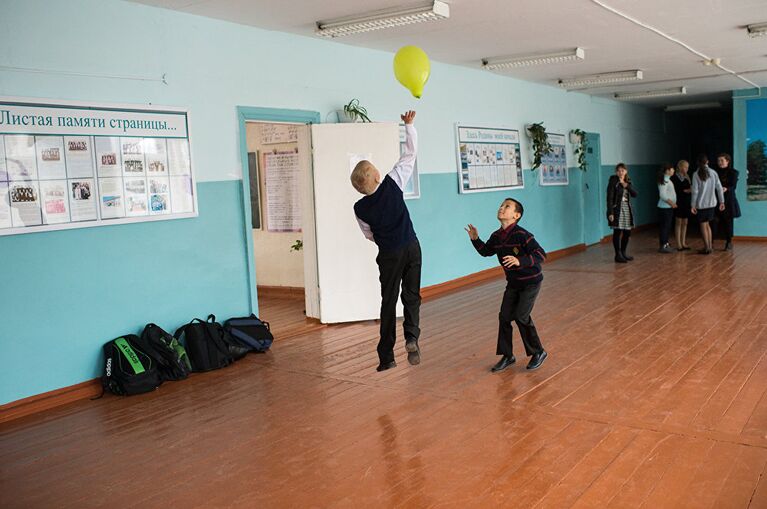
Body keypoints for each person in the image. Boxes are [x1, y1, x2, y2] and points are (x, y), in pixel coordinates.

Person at [351, 110, 422, 372]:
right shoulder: (393, 183)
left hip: (389, 254)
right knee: (412, 295)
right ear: (377, 174)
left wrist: (386, 240)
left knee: (389, 301)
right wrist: (409, 126)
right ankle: (412, 338)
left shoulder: (360, 208)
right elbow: (410, 155)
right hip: (412, 247)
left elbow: (368, 235)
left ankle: (386, 357)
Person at [465, 198, 548, 373]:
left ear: (516, 215)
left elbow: (541, 254)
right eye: (501, 206)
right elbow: (486, 252)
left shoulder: (523, 235)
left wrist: (520, 261)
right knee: (504, 317)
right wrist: (475, 239)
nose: (502, 208)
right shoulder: (497, 236)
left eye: (507, 207)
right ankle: (508, 355)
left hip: (531, 282)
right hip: (513, 283)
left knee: (521, 316)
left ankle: (538, 352)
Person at [691, 154, 725, 255]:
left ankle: (706, 248)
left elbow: (695, 191)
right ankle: (710, 247)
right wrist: (722, 201)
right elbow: (719, 188)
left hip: (701, 204)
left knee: (703, 225)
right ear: (707, 162)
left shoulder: (696, 174)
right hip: (712, 203)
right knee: (708, 225)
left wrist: (692, 205)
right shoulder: (713, 172)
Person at [606, 163, 638, 263]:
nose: (621, 172)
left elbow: (635, 194)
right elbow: (609, 197)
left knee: (627, 232)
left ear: (626, 171)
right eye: (619, 170)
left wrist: (627, 186)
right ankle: (617, 254)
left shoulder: (628, 181)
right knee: (617, 231)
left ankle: (623, 252)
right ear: (616, 172)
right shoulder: (613, 181)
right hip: (617, 209)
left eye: (622, 170)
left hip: (626, 208)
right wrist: (610, 212)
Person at [714, 153, 742, 250]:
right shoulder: (714, 172)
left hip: (728, 199)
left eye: (722, 160)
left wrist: (726, 188)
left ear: (727, 161)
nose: (720, 163)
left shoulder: (733, 172)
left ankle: (729, 242)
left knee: (727, 221)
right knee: (714, 221)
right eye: (718, 161)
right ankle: (710, 242)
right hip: (716, 199)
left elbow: (733, 186)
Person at [671, 160, 692, 251]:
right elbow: (674, 190)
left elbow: (691, 187)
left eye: (687, 167)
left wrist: (690, 190)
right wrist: (685, 191)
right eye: (685, 167)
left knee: (685, 222)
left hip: (687, 201)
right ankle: (678, 244)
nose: (686, 169)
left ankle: (683, 242)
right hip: (678, 201)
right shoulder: (674, 177)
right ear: (679, 167)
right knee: (678, 222)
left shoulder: (687, 177)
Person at [657, 163, 677, 253]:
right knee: (665, 227)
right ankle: (663, 245)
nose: (673, 171)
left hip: (668, 207)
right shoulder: (664, 180)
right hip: (665, 207)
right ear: (667, 170)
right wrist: (672, 203)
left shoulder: (668, 180)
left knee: (667, 226)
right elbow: (662, 195)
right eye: (672, 169)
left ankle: (666, 243)